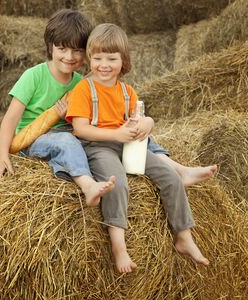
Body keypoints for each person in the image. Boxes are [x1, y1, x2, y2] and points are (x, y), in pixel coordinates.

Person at [0, 9, 216, 204]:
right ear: (50, 47)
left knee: (130, 129)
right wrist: (1, 156)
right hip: (36, 138)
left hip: (72, 131)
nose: (69, 56)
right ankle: (88, 185)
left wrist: (137, 124)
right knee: (65, 141)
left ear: (86, 52)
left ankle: (178, 169)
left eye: (77, 50)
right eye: (62, 49)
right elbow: (10, 119)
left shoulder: (81, 83)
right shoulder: (34, 76)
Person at [66, 23, 210, 273]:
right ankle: (118, 246)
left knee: (170, 176)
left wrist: (145, 124)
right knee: (117, 181)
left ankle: (183, 235)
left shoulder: (127, 91)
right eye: (97, 58)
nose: (103, 65)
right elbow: (80, 129)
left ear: (124, 61)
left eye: (111, 58)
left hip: (126, 145)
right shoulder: (84, 89)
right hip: (97, 146)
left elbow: (138, 117)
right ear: (89, 59)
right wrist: (117, 134)